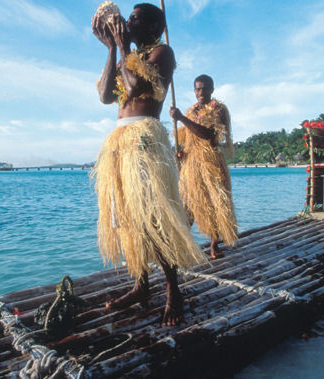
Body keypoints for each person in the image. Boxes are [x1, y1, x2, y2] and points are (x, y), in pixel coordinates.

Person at [91, 3, 204, 326]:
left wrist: (123, 45)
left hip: (144, 136)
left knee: (153, 216)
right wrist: (113, 48)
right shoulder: (130, 54)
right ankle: (141, 285)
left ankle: (172, 290)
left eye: (135, 18)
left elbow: (135, 88)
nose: (128, 21)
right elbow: (104, 95)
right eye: (128, 17)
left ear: (154, 25)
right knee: (126, 217)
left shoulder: (162, 53)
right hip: (119, 140)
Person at [169, 75, 238, 259]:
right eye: (198, 89)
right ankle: (183, 246)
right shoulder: (192, 111)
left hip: (211, 164)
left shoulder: (219, 109)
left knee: (216, 205)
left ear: (212, 89)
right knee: (188, 204)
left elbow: (208, 135)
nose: (201, 93)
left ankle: (214, 246)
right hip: (192, 165)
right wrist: (181, 152)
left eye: (205, 89)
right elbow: (186, 138)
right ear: (194, 91)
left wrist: (182, 118)